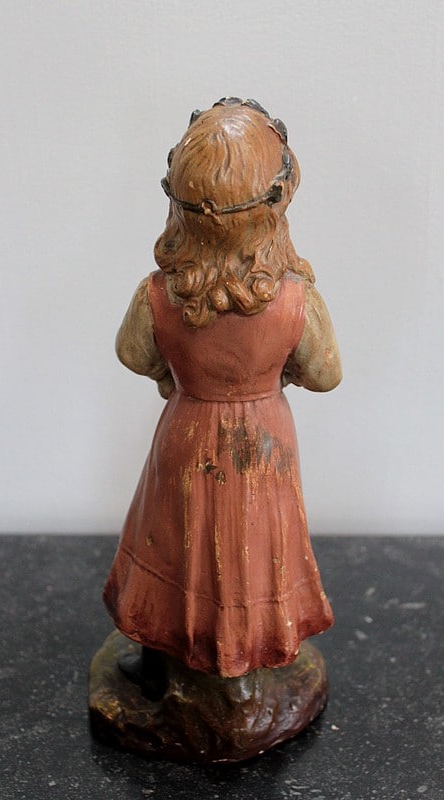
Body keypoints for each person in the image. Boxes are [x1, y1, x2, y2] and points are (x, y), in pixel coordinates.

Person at [103, 99, 341, 687]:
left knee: (170, 542)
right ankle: (246, 662)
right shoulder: (295, 301)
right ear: (276, 204)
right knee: (254, 549)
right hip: (262, 442)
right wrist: (276, 375)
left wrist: (173, 376)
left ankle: (165, 652)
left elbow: (132, 352)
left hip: (186, 433)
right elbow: (325, 373)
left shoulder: (160, 294)